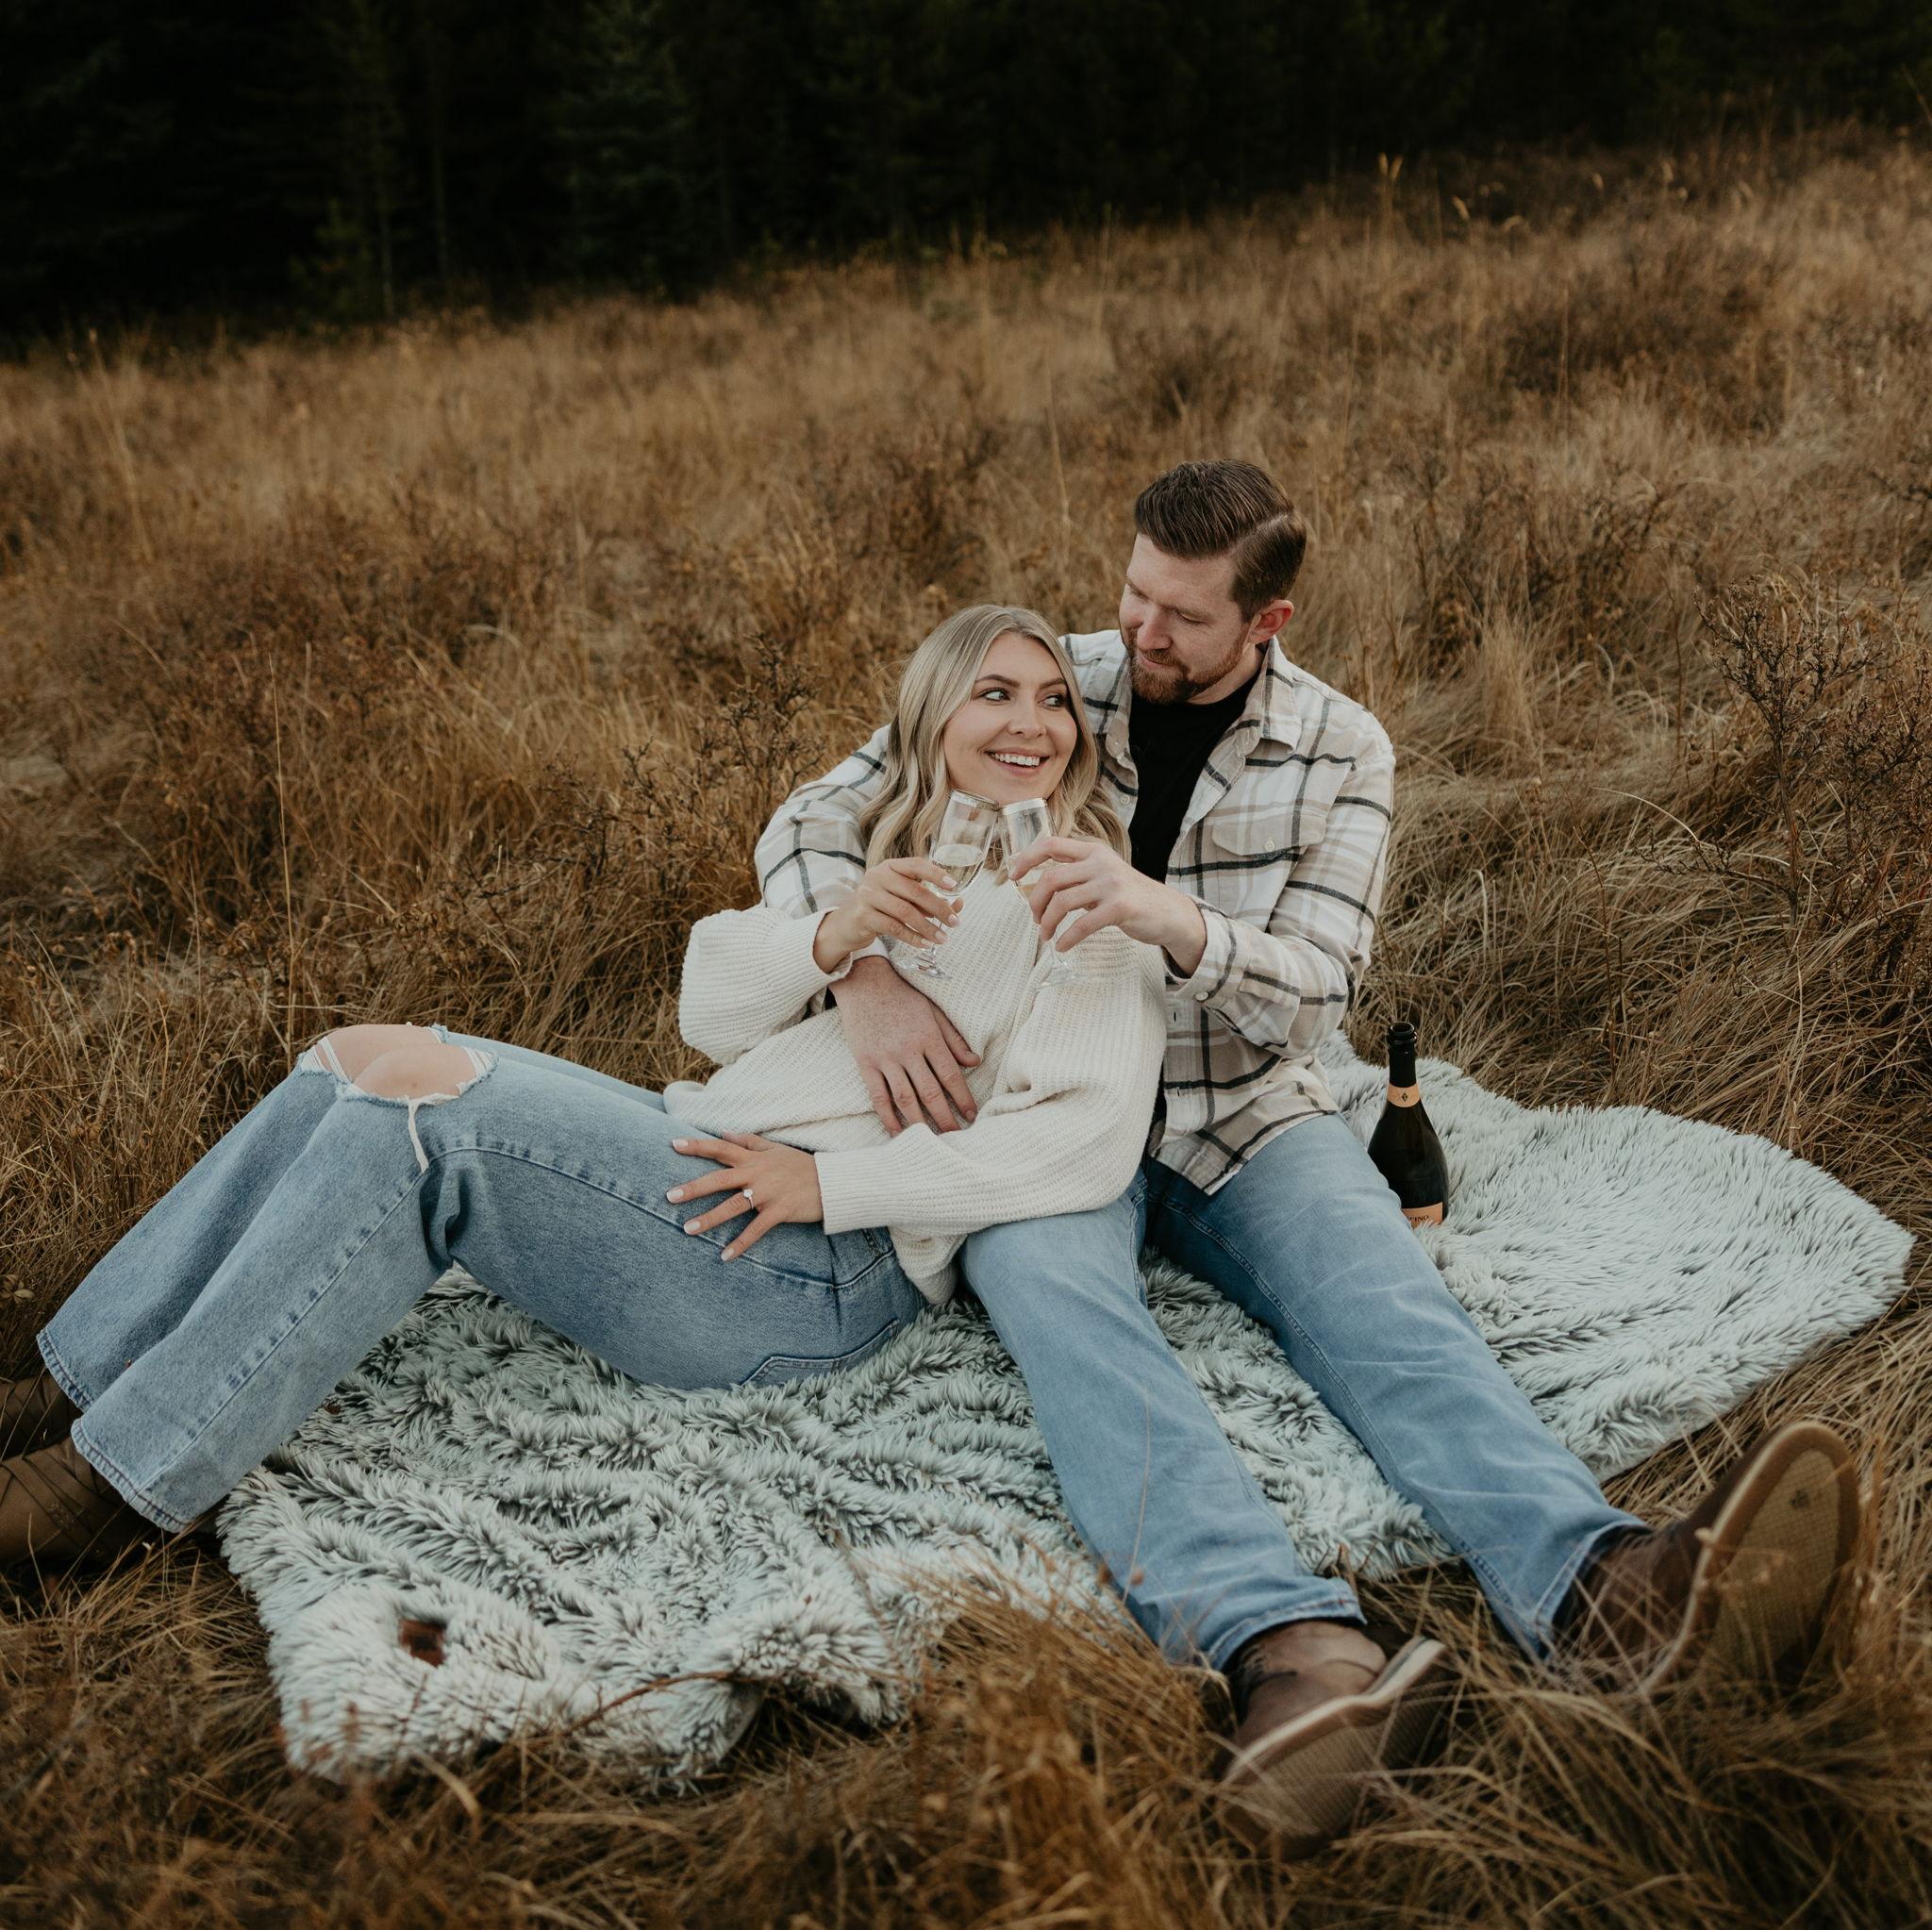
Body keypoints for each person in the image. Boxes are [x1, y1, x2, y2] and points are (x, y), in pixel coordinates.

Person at [753, 459, 1865, 1856]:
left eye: (1180, 618)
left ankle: (1605, 1595)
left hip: (1241, 1105)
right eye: (1133, 594)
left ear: (1264, 621)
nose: (1138, 635)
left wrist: (1166, 918)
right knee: (1076, 1332)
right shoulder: (1041, 682)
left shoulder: (1344, 748)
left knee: (1386, 1301)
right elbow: (808, 819)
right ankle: (1292, 1655)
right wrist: (857, 974)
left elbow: (1316, 989)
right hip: (1033, 1116)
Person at [0, 605, 1168, 1622]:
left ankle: (118, 1488)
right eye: (994, 693)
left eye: (1054, 701)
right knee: (356, 1057)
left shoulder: (1084, 904)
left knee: (424, 1125)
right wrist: (833, 937)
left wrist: (834, 1185)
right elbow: (707, 1006)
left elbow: (1081, 1143)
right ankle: (82, 1380)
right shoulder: (896, 861)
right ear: (930, 717)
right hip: (713, 1152)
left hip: (817, 1271)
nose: (1031, 723)